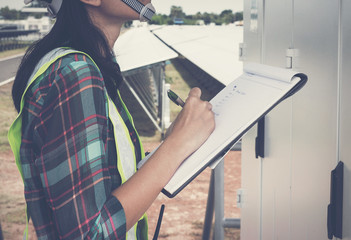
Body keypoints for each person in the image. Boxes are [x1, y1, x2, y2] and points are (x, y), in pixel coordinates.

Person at [8, 0, 215, 239]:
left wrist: (174, 141)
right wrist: (174, 148)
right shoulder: (77, 73)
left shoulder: (83, 62)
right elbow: (88, 234)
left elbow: (107, 177)